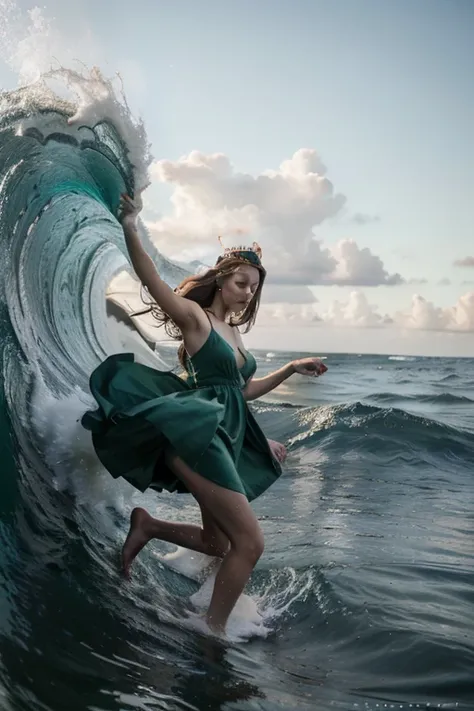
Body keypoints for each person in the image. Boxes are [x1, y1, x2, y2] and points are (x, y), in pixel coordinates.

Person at [82, 191, 328, 636]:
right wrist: (131, 226)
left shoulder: (234, 335)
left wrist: (290, 369)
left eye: (254, 287)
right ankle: (211, 632)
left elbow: (240, 392)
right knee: (249, 543)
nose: (248, 293)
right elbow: (151, 278)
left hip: (226, 439)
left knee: (218, 542)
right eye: (241, 284)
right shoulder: (196, 319)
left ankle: (149, 525)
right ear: (221, 280)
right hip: (198, 439)